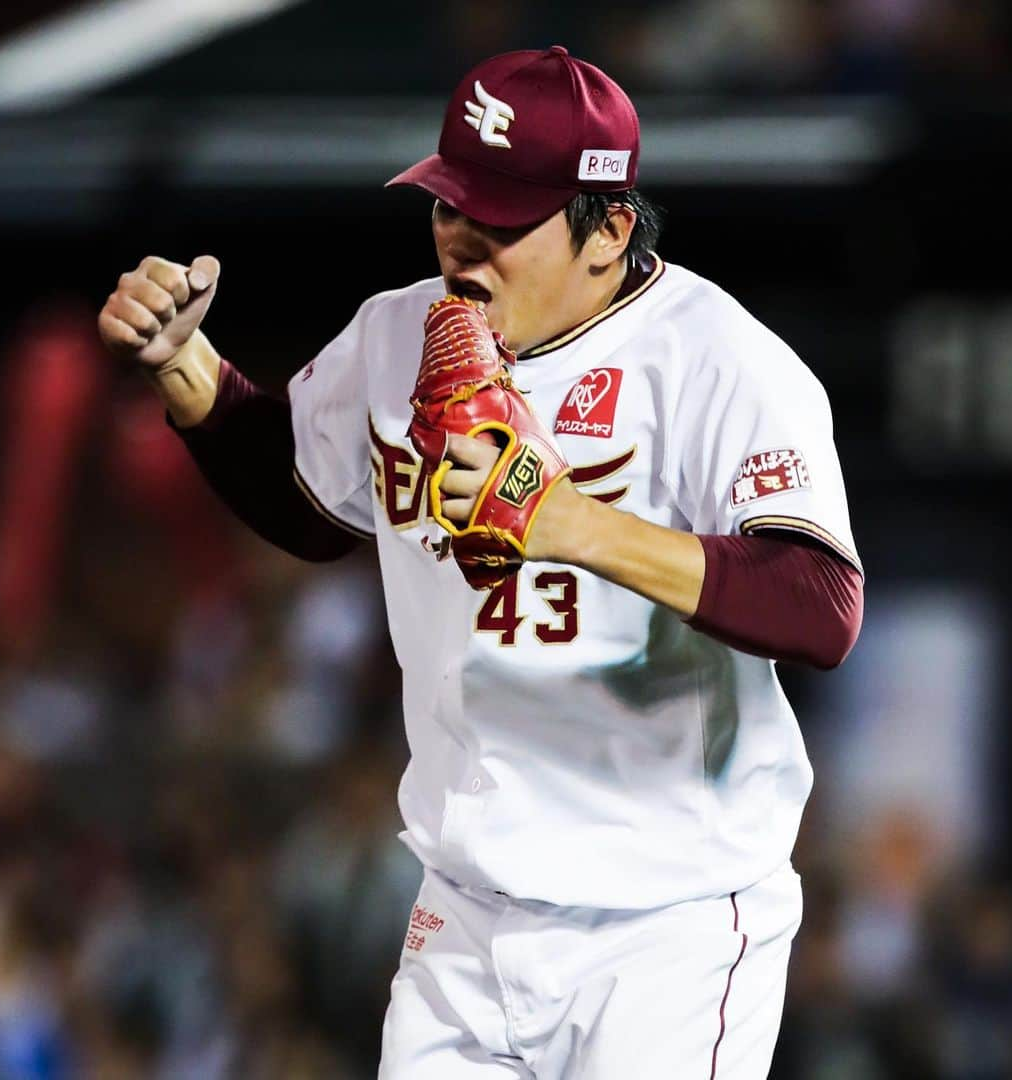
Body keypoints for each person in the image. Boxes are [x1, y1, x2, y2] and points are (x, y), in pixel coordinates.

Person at [98, 45, 863, 1079]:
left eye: (501, 219)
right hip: (465, 914)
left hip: (669, 921)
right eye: (449, 203)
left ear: (612, 232)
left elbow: (820, 606)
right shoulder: (397, 332)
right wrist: (189, 371)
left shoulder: (718, 359)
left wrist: (571, 524)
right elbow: (310, 505)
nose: (461, 238)